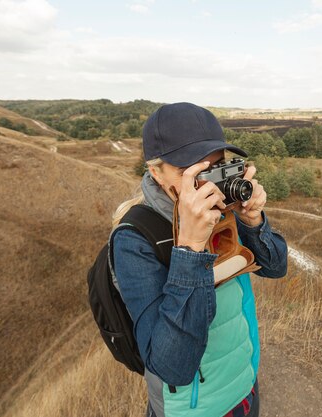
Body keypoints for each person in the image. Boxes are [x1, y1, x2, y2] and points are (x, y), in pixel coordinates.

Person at [110, 102, 288, 417]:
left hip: (243, 385)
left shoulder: (223, 207)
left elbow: (276, 266)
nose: (207, 184)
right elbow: (172, 367)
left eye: (214, 167)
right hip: (192, 409)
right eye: (190, 171)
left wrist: (253, 221)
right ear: (156, 172)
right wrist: (190, 246)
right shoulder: (134, 239)